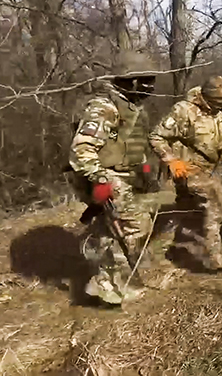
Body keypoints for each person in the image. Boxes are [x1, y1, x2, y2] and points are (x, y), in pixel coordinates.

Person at [69, 51, 159, 305]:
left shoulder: (131, 107)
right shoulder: (104, 107)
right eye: (145, 80)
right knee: (135, 224)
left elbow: (129, 145)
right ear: (129, 81)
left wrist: (143, 171)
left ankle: (102, 274)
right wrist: (100, 180)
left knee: (115, 227)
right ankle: (109, 285)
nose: (150, 86)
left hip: (118, 172)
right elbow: (81, 149)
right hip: (100, 174)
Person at [149, 76, 222, 271]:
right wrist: (171, 160)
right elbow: (156, 137)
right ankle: (214, 258)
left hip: (209, 166)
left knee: (184, 207)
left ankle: (158, 250)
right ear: (205, 96)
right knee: (216, 201)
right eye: (217, 101)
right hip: (187, 166)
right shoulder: (184, 111)